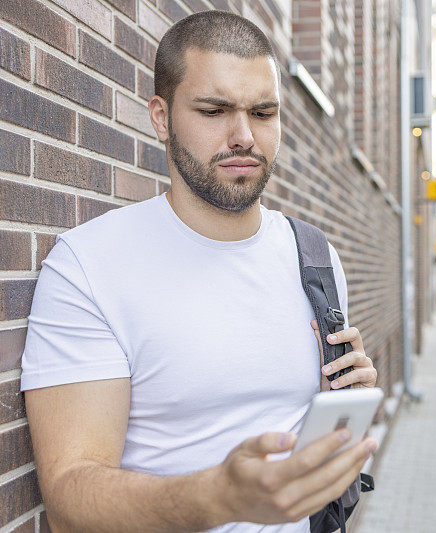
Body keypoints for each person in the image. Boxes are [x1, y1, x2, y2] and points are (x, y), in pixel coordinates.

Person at [20, 11, 378, 533]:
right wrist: (218, 497)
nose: (243, 136)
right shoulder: (89, 265)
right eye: (214, 110)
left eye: (263, 112)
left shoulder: (313, 254)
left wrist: (346, 404)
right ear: (161, 117)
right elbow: (71, 499)